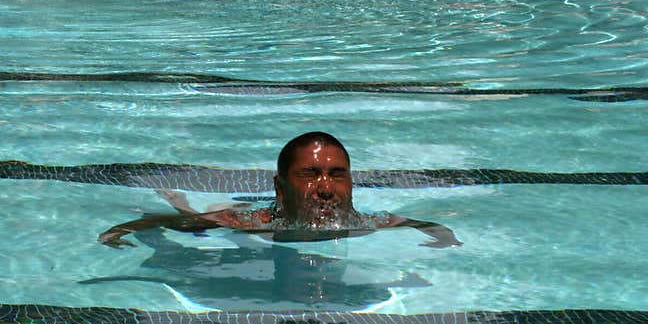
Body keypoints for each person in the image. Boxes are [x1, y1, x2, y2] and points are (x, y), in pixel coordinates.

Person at [98, 132, 462, 249]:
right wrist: (117, 233)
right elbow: (158, 224)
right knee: (191, 216)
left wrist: (444, 237)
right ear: (281, 186)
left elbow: (421, 224)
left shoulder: (365, 221)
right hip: (255, 215)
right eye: (310, 175)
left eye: (337, 174)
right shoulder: (248, 223)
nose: (326, 188)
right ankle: (176, 193)